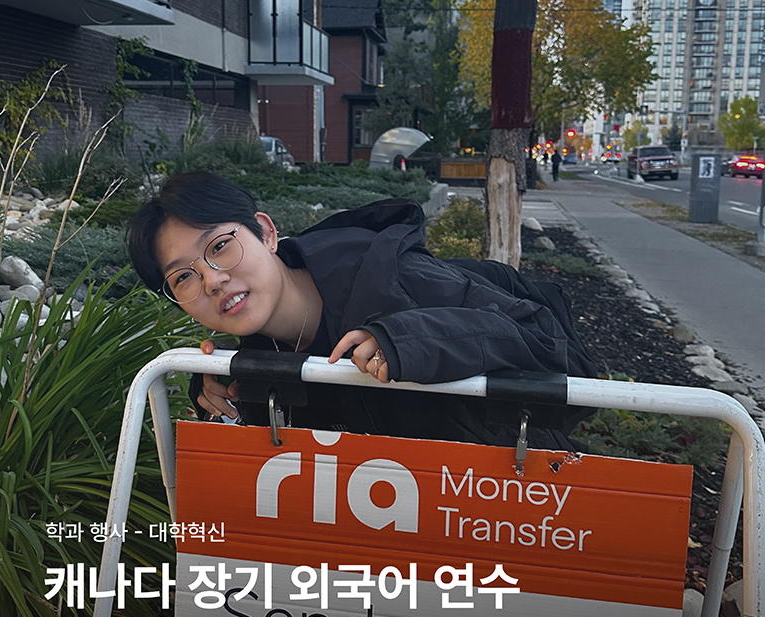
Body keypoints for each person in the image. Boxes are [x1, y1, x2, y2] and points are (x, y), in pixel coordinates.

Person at [127, 172, 596, 450]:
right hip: (387, 556)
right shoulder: (251, 354)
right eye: (183, 277)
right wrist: (225, 391)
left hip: (511, 515)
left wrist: (409, 340)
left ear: (266, 234)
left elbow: (552, 351)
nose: (211, 280)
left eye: (220, 246)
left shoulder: (396, 276)